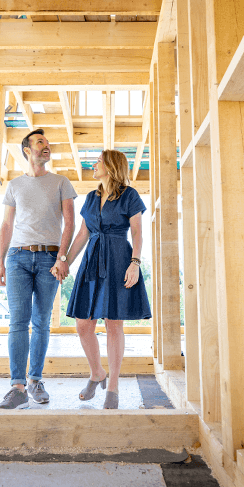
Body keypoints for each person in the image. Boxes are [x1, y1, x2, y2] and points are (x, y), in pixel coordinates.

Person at [60, 149, 151, 409]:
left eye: (98, 161)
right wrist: (64, 261)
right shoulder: (90, 198)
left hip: (119, 260)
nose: (94, 164)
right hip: (91, 262)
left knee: (114, 324)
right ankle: (97, 372)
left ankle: (113, 386)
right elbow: (81, 236)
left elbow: (137, 232)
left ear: (110, 167)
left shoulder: (129, 196)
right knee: (83, 325)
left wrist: (135, 263)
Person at [0, 128, 77, 409]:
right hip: (17, 258)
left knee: (41, 321)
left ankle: (35, 381)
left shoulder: (61, 182)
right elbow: (7, 225)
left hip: (49, 259)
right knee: (18, 321)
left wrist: (62, 258)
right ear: (27, 150)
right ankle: (17, 387)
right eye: (40, 143)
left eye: (47, 144)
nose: (46, 147)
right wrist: (0, 261)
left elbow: (70, 222)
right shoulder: (15, 185)